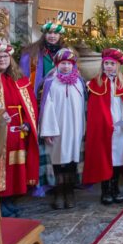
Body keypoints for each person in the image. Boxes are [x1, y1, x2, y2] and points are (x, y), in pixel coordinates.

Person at [0, 40, 39, 217]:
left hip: (18, 130)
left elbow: (31, 105)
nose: (2, 60)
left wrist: (28, 123)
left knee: (14, 165)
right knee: (1, 165)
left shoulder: (19, 79)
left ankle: (9, 200)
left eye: (5, 56)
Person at [83, 48, 123, 205]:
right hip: (103, 129)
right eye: (106, 63)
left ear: (118, 65)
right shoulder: (95, 83)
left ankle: (115, 188)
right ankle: (105, 190)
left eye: (112, 64)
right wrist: (103, 123)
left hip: (120, 129)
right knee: (104, 159)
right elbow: (95, 110)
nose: (108, 66)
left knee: (118, 159)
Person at [39, 48, 85, 209]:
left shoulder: (79, 82)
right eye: (63, 63)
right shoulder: (50, 82)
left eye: (69, 64)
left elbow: (83, 106)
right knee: (58, 160)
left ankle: (69, 191)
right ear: (57, 64)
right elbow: (47, 107)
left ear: (74, 65)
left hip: (75, 128)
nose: (66, 67)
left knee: (72, 160)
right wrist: (48, 131)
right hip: (57, 128)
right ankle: (59, 192)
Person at [19, 21, 66, 96]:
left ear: (60, 35)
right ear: (44, 35)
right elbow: (24, 74)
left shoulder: (66, 52)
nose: (52, 36)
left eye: (56, 33)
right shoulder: (31, 52)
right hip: (39, 92)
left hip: (59, 92)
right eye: (49, 33)